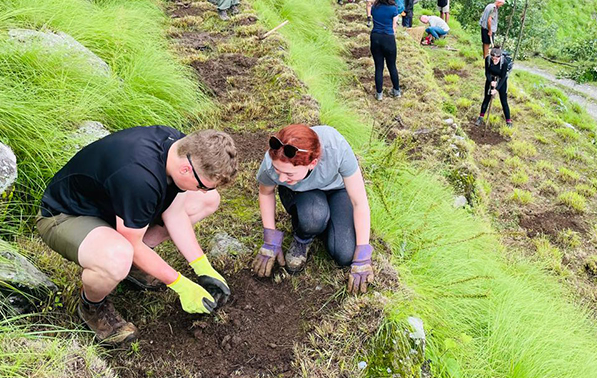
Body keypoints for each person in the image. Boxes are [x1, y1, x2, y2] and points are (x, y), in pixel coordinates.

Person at [37, 126, 239, 344]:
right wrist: (180, 284)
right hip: (65, 216)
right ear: (185, 170)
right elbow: (131, 244)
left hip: (114, 209)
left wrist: (203, 268)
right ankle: (92, 306)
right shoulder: (139, 177)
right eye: (202, 185)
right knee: (119, 255)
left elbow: (175, 212)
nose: (202, 190)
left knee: (208, 201)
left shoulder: (181, 147)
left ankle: (135, 266)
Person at [252, 125, 375, 294]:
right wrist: (270, 239)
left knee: (345, 254)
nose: (280, 177)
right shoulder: (273, 161)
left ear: (313, 163)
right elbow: (266, 193)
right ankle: (303, 238)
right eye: (278, 171)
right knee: (313, 216)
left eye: (288, 173)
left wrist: (363, 254)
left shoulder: (336, 147)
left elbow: (359, 202)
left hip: (337, 189)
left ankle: (327, 225)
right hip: (300, 191)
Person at [369, 0, 401, 100]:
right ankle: (396, 91)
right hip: (388, 38)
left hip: (375, 37)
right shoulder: (393, 9)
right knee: (392, 66)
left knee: (378, 67)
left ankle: (379, 94)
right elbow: (394, 26)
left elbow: (372, 16)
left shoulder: (374, 7)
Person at [476, 47, 512, 127]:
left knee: (504, 101)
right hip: (491, 79)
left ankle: (508, 121)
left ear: (500, 57)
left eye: (496, 59)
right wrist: (490, 81)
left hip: (501, 81)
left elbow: (503, 77)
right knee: (486, 98)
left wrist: (496, 89)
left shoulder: (504, 62)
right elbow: (487, 72)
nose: (494, 61)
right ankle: (480, 117)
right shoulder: (488, 59)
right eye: (493, 59)